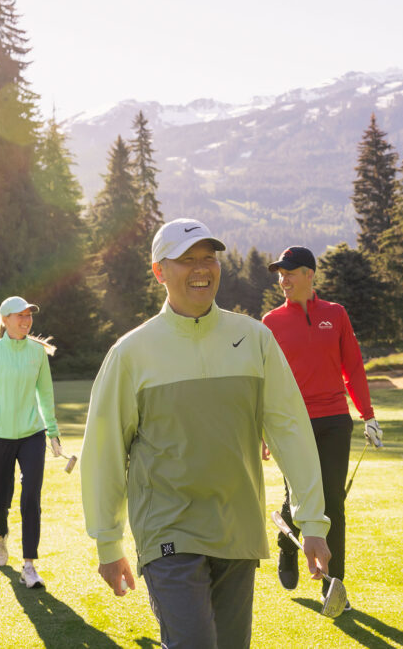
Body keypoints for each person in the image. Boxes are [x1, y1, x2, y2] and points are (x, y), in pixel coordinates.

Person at [81, 218, 331, 649]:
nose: (202, 268)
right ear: (160, 270)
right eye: (187, 260)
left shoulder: (254, 339)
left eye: (209, 258)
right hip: (168, 530)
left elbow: (290, 429)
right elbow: (103, 451)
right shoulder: (130, 353)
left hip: (238, 527)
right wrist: (108, 541)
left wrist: (312, 522)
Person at [261, 246, 383, 602]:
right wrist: (264, 429)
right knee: (294, 496)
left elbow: (353, 368)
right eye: (279, 274)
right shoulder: (271, 322)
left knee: (332, 502)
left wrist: (369, 415)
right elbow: (264, 379)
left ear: (310, 274)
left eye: (290, 273)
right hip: (290, 423)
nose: (283, 280)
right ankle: (289, 549)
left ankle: (335, 587)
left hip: (333, 419)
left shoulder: (336, 314)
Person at [0, 295, 62, 589]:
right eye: (19, 316)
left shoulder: (36, 352)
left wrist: (52, 431)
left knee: (31, 497)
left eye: (28, 315)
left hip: (32, 435)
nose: (26, 320)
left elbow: (45, 393)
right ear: (4, 320)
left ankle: (29, 565)